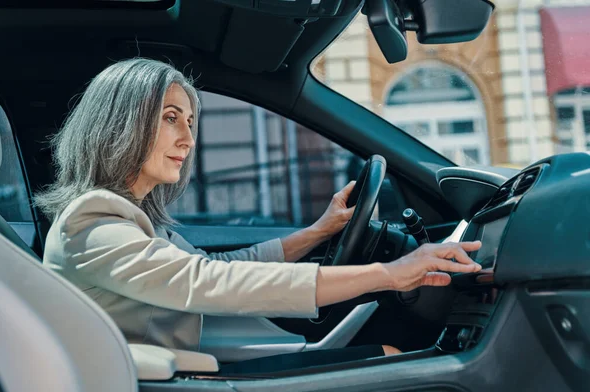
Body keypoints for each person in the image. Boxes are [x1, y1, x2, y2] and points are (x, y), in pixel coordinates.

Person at [37, 58, 482, 374]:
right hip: (160, 386)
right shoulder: (91, 224)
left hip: (180, 376)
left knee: (382, 357)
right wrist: (389, 273)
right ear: (120, 124)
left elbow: (219, 268)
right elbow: (211, 283)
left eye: (190, 122)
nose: (188, 138)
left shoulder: (127, 219)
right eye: (171, 118)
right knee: (387, 359)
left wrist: (318, 232)